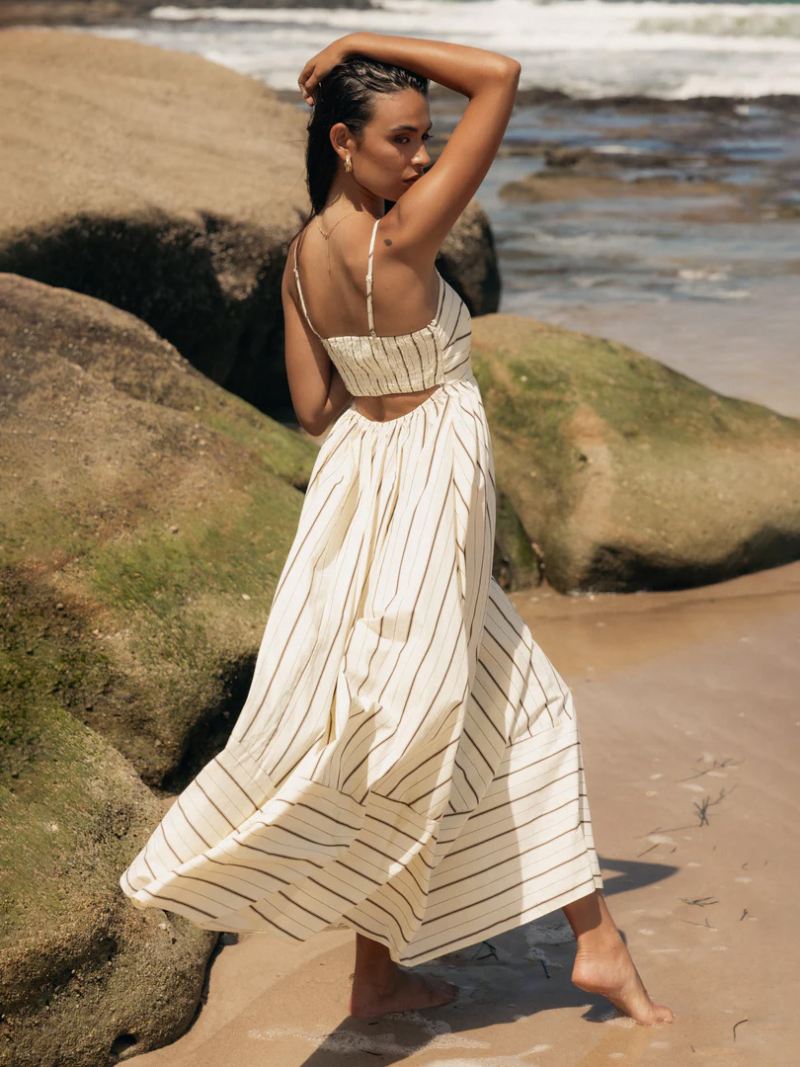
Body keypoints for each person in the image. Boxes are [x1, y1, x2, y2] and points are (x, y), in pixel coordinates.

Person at [120, 31, 674, 1027]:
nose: (420, 158)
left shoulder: (301, 256)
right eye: (404, 138)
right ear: (343, 140)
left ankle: (389, 970)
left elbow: (309, 406)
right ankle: (592, 940)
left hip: (361, 481)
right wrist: (358, 40)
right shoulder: (403, 235)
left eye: (426, 140)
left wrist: (375, 374)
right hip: (429, 476)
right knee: (486, 708)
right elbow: (499, 76)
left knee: (420, 710)